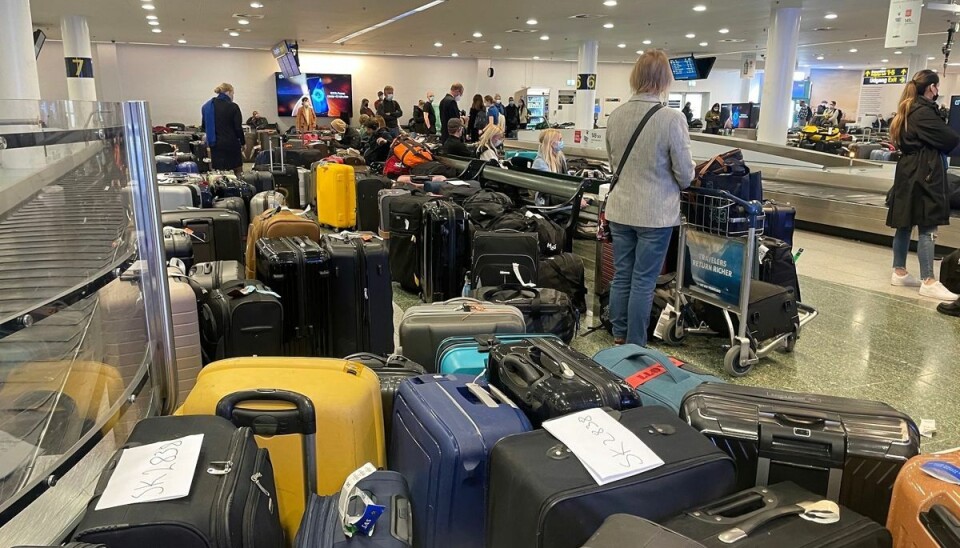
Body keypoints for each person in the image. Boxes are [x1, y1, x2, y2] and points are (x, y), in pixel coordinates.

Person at [605, 50, 694, 346]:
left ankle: (618, 334)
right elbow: (685, 174)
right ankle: (635, 342)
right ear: (665, 80)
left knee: (622, 274)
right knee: (643, 279)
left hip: (620, 210)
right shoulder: (671, 118)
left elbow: (613, 163)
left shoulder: (616, 116)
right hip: (655, 214)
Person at [887, 69, 960, 302]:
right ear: (931, 88)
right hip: (925, 171)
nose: (937, 92)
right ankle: (928, 280)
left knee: (905, 223)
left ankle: (899, 271)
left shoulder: (907, 109)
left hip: (909, 171)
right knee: (928, 225)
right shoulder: (924, 112)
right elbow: (950, 139)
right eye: (937, 87)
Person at [200, 82, 245, 176]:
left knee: (219, 172)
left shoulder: (206, 107)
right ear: (228, 92)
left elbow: (204, 126)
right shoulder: (233, 106)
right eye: (233, 94)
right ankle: (239, 188)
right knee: (237, 170)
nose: (233, 96)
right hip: (231, 144)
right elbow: (238, 128)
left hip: (215, 145)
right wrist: (243, 142)